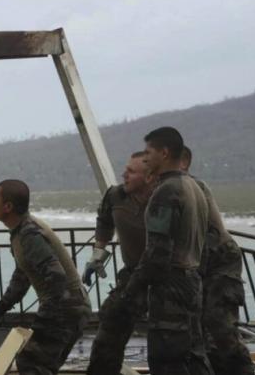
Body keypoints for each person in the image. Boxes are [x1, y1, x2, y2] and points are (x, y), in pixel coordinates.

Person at [122, 127, 212, 374]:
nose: (146, 158)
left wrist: (131, 292)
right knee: (194, 357)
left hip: (171, 289)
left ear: (164, 153)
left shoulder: (167, 191)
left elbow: (157, 254)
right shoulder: (193, 187)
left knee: (167, 360)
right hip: (192, 283)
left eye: (149, 152)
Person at [0, 180, 91, 375]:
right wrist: (0, 307)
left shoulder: (29, 234)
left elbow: (56, 278)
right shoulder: (20, 233)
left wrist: (44, 318)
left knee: (32, 364)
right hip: (69, 307)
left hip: (66, 308)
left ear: (8, 207)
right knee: (40, 366)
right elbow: (22, 276)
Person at [181, 146, 255, 375]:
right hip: (199, 266)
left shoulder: (191, 188)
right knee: (200, 330)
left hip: (219, 263)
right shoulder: (174, 188)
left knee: (220, 327)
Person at [84, 152, 155, 375]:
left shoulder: (165, 198)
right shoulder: (116, 196)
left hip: (167, 276)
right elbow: (104, 221)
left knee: (171, 337)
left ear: (150, 177)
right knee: (111, 322)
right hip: (133, 273)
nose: (124, 174)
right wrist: (97, 255)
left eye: (132, 172)